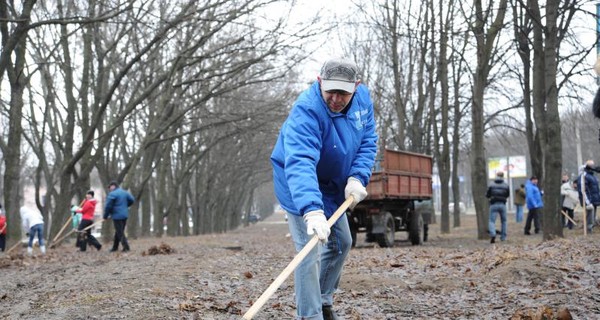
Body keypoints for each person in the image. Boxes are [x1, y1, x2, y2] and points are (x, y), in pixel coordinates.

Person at [270, 58, 378, 320]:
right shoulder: (306, 111)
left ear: (356, 87)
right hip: (298, 184)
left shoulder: (363, 100)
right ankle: (310, 315)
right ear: (319, 82)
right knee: (309, 251)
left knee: (342, 241)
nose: (336, 99)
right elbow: (301, 162)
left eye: (343, 93)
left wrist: (357, 177)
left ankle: (323, 300)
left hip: (332, 185)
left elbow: (368, 141)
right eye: (331, 91)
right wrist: (311, 209)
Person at [103, 181, 135, 252]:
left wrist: (105, 216)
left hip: (117, 215)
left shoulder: (112, 194)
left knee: (120, 232)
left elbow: (108, 206)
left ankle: (126, 247)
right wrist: (125, 206)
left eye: (110, 187)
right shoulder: (125, 192)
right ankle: (115, 247)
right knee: (118, 231)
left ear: (113, 186)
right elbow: (132, 200)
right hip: (124, 215)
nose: (109, 189)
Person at [486, 171, 510, 243]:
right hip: (502, 204)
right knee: (504, 221)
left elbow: (487, 194)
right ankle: (503, 237)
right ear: (503, 176)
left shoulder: (491, 185)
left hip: (493, 204)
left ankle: (493, 234)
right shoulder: (506, 185)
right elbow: (507, 195)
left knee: (491, 221)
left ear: (496, 176)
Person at [577, 160, 600, 233]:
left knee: (592, 216)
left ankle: (591, 228)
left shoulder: (592, 176)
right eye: (591, 165)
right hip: (588, 200)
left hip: (594, 199)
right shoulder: (584, 175)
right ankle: (588, 230)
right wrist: (587, 202)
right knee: (589, 216)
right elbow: (583, 189)